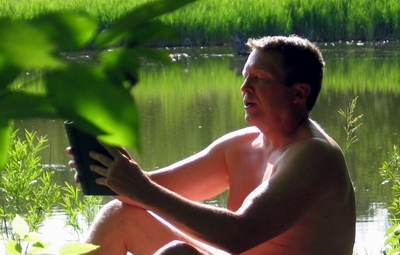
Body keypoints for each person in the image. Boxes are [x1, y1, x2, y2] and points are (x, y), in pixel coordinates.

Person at [67, 35, 356, 254]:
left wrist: (141, 189)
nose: (245, 88)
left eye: (260, 79)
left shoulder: (315, 156)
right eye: (245, 77)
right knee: (119, 215)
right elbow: (148, 190)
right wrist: (110, 173)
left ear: (299, 93)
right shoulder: (238, 147)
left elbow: (239, 234)